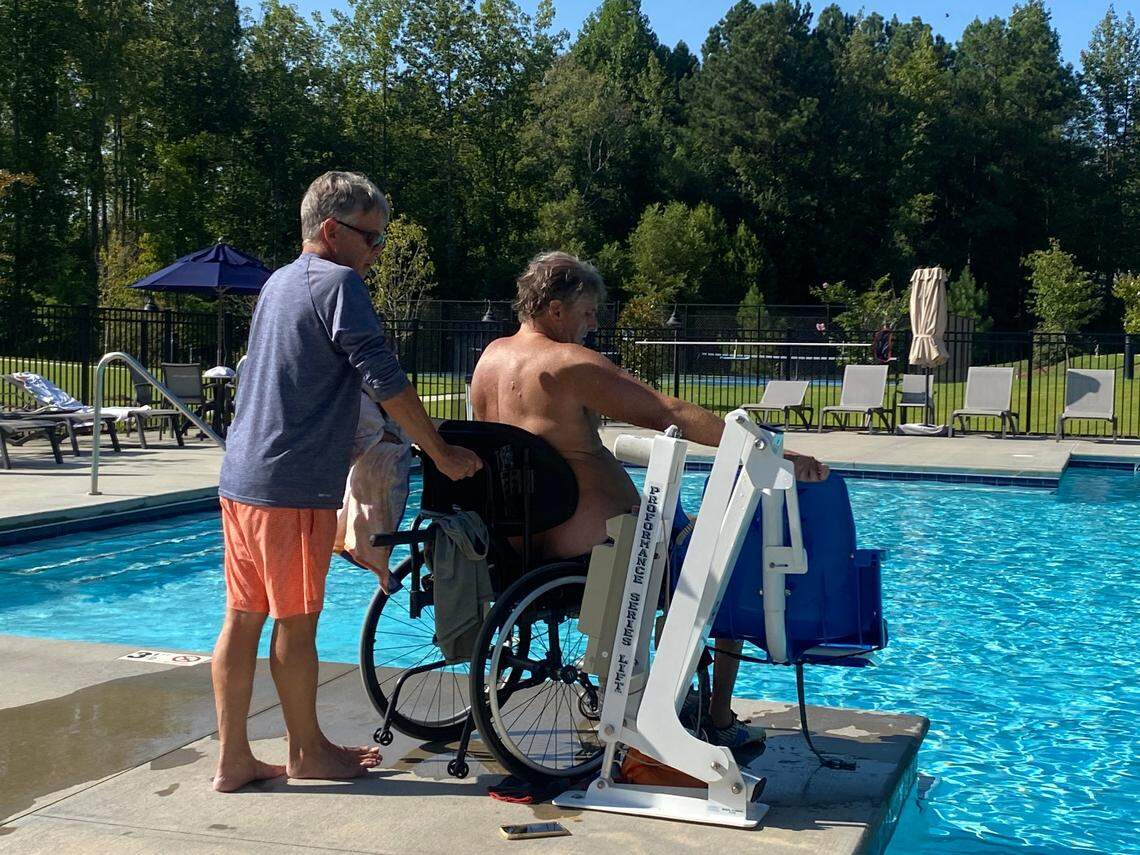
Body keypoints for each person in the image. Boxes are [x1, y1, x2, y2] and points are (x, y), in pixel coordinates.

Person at [470, 251, 828, 750]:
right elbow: (666, 411)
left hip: (518, 543)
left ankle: (657, 691)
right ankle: (716, 717)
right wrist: (775, 453)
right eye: (588, 312)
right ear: (555, 309)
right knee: (732, 559)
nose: (594, 324)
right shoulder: (567, 363)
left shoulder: (490, 360)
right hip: (601, 545)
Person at [212, 171, 482, 793]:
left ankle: (234, 759)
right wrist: (440, 452)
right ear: (332, 230)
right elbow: (385, 379)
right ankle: (307, 752)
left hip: (242, 478)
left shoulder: (279, 283)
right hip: (293, 486)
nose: (377, 252)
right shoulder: (337, 283)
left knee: (243, 618)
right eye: (371, 237)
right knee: (296, 621)